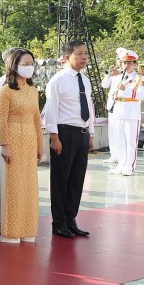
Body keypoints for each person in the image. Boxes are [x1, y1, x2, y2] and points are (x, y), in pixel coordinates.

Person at [44, 41, 95, 239]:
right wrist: (54, 137)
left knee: (77, 179)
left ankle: (71, 218)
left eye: (85, 54)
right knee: (60, 180)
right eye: (79, 54)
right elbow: (51, 111)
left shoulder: (86, 80)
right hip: (64, 133)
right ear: (67, 57)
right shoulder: (58, 80)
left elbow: (89, 108)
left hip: (81, 133)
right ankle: (58, 222)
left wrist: (90, 133)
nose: (84, 57)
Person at [0, 49, 42, 243]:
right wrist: (4, 145)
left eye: (31, 63)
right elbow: (2, 120)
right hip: (12, 141)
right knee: (12, 186)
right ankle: (10, 229)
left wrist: (40, 144)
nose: (29, 67)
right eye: (25, 63)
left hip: (30, 140)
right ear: (14, 66)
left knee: (28, 185)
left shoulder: (33, 90)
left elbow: (37, 119)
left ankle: (27, 228)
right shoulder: (6, 91)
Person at [110, 49, 144, 176]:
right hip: (118, 111)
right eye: (124, 63)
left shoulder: (140, 78)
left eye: (130, 63)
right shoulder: (117, 78)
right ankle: (121, 163)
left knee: (131, 141)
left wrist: (125, 89)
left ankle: (129, 166)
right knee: (119, 139)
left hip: (131, 112)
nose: (127, 65)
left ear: (134, 64)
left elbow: (141, 94)